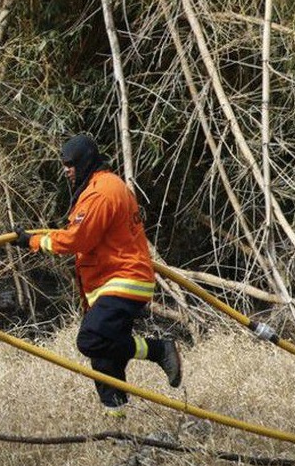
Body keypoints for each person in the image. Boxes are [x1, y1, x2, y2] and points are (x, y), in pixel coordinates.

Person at [10, 134, 181, 418]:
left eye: (70, 164)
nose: (66, 169)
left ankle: (158, 350)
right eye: (64, 163)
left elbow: (76, 240)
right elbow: (80, 233)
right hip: (111, 282)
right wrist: (33, 236)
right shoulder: (104, 186)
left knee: (90, 339)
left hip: (123, 280)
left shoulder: (100, 192)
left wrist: (32, 242)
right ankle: (117, 421)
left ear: (85, 161)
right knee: (104, 356)